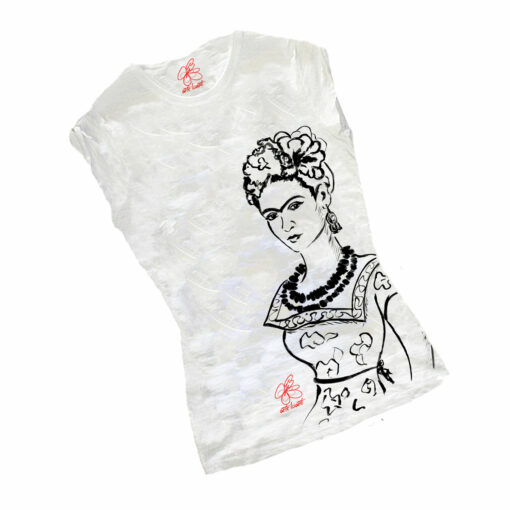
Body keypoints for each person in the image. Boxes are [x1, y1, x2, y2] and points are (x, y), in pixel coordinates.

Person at [241, 125, 435, 425]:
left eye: (294, 205)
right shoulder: (286, 296)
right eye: (272, 215)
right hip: (316, 424)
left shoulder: (369, 274)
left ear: (321, 195)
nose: (285, 224)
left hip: (388, 411)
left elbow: (422, 361)